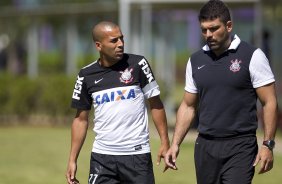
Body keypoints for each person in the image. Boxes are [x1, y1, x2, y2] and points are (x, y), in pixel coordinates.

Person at [164, 0, 278, 184]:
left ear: (229, 26)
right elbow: (188, 106)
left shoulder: (252, 55)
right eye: (204, 30)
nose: (208, 34)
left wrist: (268, 144)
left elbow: (269, 101)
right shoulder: (195, 60)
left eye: (214, 28)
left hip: (240, 145)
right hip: (205, 146)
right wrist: (175, 143)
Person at [65, 21, 170, 184]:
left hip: (137, 156)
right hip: (102, 158)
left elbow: (155, 104)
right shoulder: (86, 75)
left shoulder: (138, 64)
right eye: (114, 40)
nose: (120, 44)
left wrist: (165, 142)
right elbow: (80, 119)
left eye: (121, 39)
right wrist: (72, 159)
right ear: (99, 45)